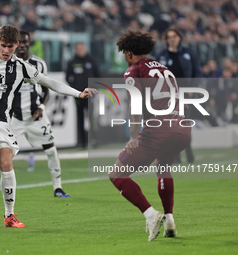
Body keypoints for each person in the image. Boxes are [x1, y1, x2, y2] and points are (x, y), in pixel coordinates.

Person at [0, 25, 96, 228]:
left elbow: (49, 82)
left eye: (10, 47)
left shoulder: (21, 67)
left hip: (1, 122)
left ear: (17, 45)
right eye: (3, 46)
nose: (6, 50)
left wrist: (77, 93)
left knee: (6, 162)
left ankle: (9, 216)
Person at [109, 30, 191, 241]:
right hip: (182, 128)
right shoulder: (165, 69)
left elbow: (135, 105)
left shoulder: (133, 71)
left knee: (117, 174)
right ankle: (170, 220)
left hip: (159, 130)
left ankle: (151, 214)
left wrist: (134, 136)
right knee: (163, 168)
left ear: (128, 53)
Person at [0, 31, 70, 200]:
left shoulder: (39, 64)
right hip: (15, 118)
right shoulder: (7, 63)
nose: (22, 46)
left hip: (36, 117)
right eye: (19, 43)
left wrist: (41, 106)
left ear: (29, 43)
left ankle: (58, 188)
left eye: (25, 42)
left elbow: (46, 89)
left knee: (51, 150)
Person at [155, 28, 202, 163]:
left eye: (174, 36)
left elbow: (197, 72)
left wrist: (193, 87)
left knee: (185, 124)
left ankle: (188, 151)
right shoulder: (161, 55)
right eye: (169, 37)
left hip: (185, 93)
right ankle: (176, 155)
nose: (172, 39)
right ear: (166, 40)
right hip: (168, 94)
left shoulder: (189, 53)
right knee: (171, 125)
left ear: (179, 38)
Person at [66, 42, 101, 148]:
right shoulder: (72, 62)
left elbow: (98, 76)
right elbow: (68, 77)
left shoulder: (91, 61)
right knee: (80, 118)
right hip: (78, 95)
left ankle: (95, 140)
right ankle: (82, 142)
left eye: (81, 48)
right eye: (78, 49)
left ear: (85, 49)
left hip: (90, 95)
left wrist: (95, 89)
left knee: (92, 118)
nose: (80, 50)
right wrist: (74, 89)